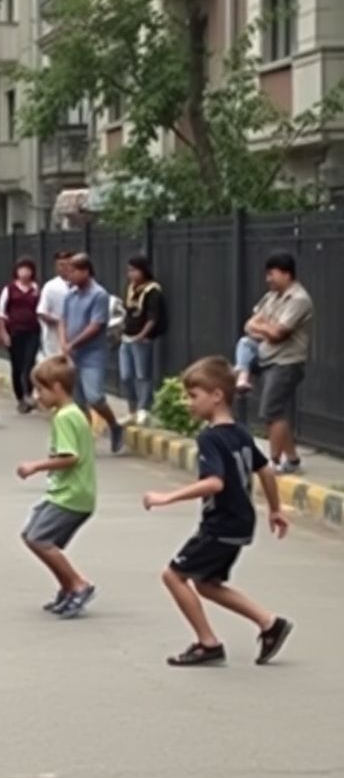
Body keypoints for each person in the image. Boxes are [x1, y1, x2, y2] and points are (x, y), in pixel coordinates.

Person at [144, 356, 294, 667]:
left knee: (173, 576)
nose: (188, 403)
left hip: (221, 524)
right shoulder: (239, 432)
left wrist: (166, 497)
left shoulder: (210, 438)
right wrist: (275, 509)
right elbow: (265, 469)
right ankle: (269, 623)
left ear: (216, 396)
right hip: (241, 523)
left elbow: (214, 483)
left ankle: (207, 643)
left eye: (193, 395)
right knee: (207, 583)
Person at [17, 356, 98, 618]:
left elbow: (69, 457)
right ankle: (67, 586)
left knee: (38, 538)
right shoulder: (72, 413)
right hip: (69, 493)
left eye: (41, 390)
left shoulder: (65, 417)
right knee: (32, 534)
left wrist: (35, 467)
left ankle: (78, 584)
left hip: (70, 495)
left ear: (57, 388)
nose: (37, 396)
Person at [233, 252, 313, 474]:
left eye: (272, 274)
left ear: (286, 274)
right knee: (245, 342)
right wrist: (264, 327)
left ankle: (274, 461)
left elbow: (279, 333)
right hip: (267, 356)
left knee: (271, 411)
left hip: (286, 362)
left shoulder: (298, 299)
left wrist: (264, 327)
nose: (268, 279)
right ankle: (293, 460)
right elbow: (250, 324)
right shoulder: (272, 297)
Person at [59, 253, 124, 453]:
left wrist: (74, 343)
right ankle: (85, 442)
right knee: (78, 402)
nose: (69, 276)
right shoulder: (71, 295)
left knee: (94, 397)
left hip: (92, 355)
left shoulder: (99, 295)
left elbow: (96, 326)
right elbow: (63, 320)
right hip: (73, 355)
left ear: (85, 271)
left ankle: (114, 425)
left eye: (73, 271)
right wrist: (63, 342)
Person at [118, 255, 166, 426]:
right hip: (126, 337)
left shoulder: (152, 290)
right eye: (129, 270)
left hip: (141, 339)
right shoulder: (132, 288)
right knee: (125, 375)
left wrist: (142, 335)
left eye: (134, 270)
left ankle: (143, 408)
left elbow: (153, 317)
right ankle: (131, 409)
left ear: (143, 270)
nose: (130, 274)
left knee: (142, 375)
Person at [0, 256, 41, 413]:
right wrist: (3, 334)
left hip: (32, 331)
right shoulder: (9, 289)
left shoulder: (36, 289)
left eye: (28, 269)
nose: (24, 272)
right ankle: (20, 397)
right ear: (16, 271)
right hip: (15, 332)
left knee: (29, 364)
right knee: (17, 365)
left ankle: (28, 393)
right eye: (21, 269)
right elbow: (2, 314)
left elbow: (40, 309)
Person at [36, 250, 73, 359]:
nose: (65, 268)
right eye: (61, 265)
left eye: (68, 264)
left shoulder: (79, 285)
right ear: (56, 267)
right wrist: (58, 321)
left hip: (76, 336)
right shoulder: (50, 287)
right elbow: (41, 312)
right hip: (54, 338)